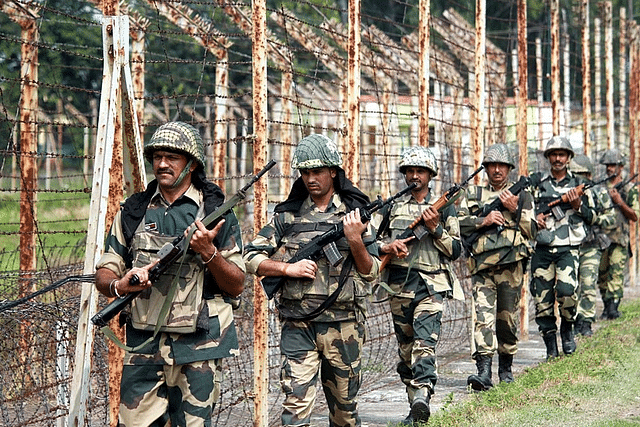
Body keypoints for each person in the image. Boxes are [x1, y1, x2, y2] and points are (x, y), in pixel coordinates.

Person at [94, 121, 246, 426]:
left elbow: (237, 284)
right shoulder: (133, 211)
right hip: (143, 346)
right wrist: (119, 285)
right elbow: (106, 268)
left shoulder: (216, 214)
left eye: (172, 157)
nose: (162, 164)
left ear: (191, 164)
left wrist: (208, 252)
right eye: (157, 157)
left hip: (198, 346)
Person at [243, 134, 380, 427]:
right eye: (305, 172)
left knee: (344, 411)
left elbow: (371, 272)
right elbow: (250, 256)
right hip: (298, 325)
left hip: (344, 326)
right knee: (295, 405)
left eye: (317, 171)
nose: (310, 178)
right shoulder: (287, 216)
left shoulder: (355, 214)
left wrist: (355, 240)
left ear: (333, 171)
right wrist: (285, 269)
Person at [374, 146, 463, 424]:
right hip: (399, 286)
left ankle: (423, 394)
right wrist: (387, 245)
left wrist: (436, 229)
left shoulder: (445, 209)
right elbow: (369, 242)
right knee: (406, 350)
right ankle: (415, 406)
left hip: (431, 285)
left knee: (425, 343)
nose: (415, 176)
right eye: (410, 171)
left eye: (420, 171)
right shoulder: (391, 207)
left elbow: (456, 249)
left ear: (430, 174)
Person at [457, 143, 536, 390]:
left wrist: (515, 209)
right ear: (486, 168)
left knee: (506, 319)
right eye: (492, 165)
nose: (497, 170)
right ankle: (483, 372)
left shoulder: (523, 196)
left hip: (511, 266)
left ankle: (506, 368)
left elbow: (533, 230)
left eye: (502, 165)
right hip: (482, 266)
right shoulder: (473, 194)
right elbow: (458, 223)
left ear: (509, 169)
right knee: (482, 317)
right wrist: (484, 220)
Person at [530, 136, 595, 360]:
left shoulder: (579, 185)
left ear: (568, 158)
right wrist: (534, 218)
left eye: (562, 154)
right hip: (542, 246)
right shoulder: (536, 182)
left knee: (567, 292)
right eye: (554, 154)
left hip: (568, 246)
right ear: (548, 157)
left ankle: (568, 327)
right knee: (542, 300)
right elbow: (523, 211)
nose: (558, 158)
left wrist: (578, 205)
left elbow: (592, 216)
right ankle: (550, 346)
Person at [571, 154, 615, 336]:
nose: (580, 178)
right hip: (570, 246)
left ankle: (586, 320)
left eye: (584, 174)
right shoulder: (566, 192)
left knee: (588, 284)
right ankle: (573, 320)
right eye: (576, 174)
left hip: (591, 245)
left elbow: (611, 218)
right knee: (570, 287)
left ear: (589, 175)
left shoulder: (599, 193)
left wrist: (594, 218)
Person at [598, 149, 639, 319]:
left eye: (613, 165)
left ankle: (613, 308)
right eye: (607, 165)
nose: (609, 169)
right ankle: (607, 306)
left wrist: (619, 202)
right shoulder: (599, 188)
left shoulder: (629, 189)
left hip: (619, 239)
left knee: (616, 273)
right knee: (602, 274)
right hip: (600, 237)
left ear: (621, 167)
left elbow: (635, 215)